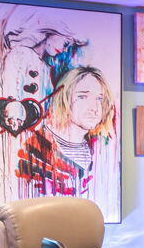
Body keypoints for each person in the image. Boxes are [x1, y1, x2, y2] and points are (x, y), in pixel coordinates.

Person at [14, 65, 117, 202]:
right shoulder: (35, 149)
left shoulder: (101, 150)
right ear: (62, 97)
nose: (94, 108)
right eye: (82, 96)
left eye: (99, 99)